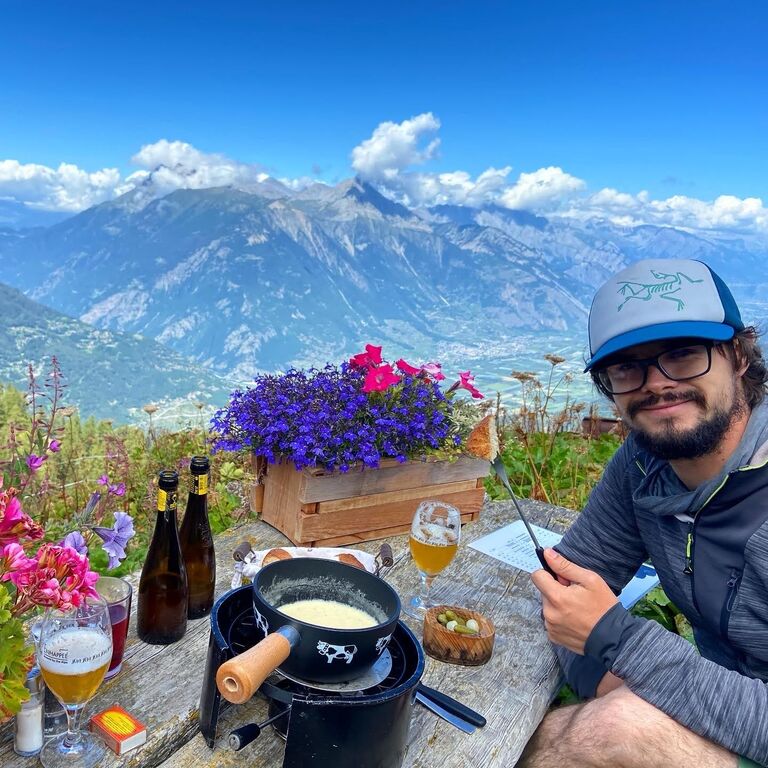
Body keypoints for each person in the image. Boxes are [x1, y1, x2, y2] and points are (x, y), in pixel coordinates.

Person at [519, 258, 768, 768]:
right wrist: (614, 682)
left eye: (682, 354)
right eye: (626, 366)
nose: (654, 383)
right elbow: (565, 593)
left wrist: (619, 644)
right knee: (533, 735)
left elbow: (597, 630)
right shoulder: (643, 465)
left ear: (739, 357)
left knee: (608, 732)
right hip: (725, 705)